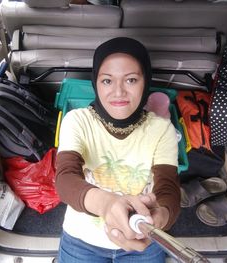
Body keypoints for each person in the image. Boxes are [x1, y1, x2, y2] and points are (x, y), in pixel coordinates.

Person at [55, 37, 180, 263]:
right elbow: (65, 178)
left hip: (145, 239)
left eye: (131, 80)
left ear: (146, 82)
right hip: (82, 240)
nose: (119, 92)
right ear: (95, 83)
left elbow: (168, 188)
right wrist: (107, 204)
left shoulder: (162, 129)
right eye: (107, 81)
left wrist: (160, 219)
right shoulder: (77, 121)